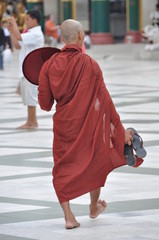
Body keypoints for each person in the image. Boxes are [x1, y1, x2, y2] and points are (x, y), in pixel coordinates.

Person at [38, 19, 143, 229]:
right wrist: (119, 131)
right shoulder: (90, 64)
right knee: (95, 160)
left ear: (61, 37)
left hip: (63, 127)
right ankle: (93, 206)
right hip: (88, 126)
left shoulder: (48, 65)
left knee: (62, 168)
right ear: (80, 36)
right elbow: (106, 100)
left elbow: (44, 104)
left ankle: (69, 217)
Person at [8, 10, 44, 129]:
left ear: (35, 20)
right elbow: (18, 45)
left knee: (30, 96)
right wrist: (12, 31)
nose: (26, 22)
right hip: (26, 69)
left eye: (27, 19)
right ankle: (31, 120)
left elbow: (19, 37)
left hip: (32, 69)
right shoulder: (29, 33)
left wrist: (14, 23)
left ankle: (32, 122)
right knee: (28, 96)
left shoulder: (36, 33)